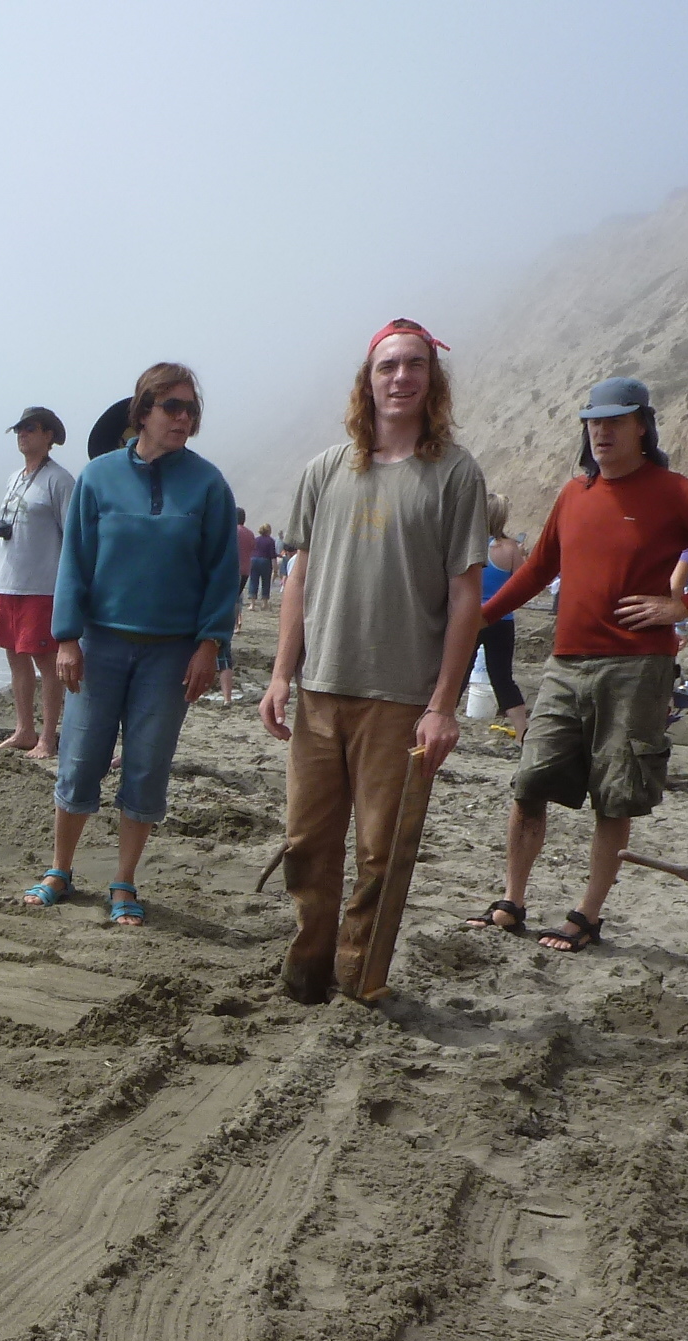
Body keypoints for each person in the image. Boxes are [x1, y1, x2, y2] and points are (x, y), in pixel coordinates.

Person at [466, 376, 688, 953]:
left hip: (637, 666)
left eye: (614, 421)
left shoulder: (674, 492)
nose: (601, 432)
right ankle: (512, 900)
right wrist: (482, 618)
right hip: (566, 663)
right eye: (593, 422)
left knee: (615, 793)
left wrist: (683, 605)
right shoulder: (573, 494)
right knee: (530, 782)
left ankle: (586, 915)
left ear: (642, 427)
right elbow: (538, 569)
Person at [258, 319, 487, 1002]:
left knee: (381, 853)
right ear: (368, 379)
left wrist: (443, 705)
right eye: (388, 366)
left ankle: (359, 982)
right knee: (307, 843)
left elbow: (466, 597)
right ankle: (307, 975)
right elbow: (297, 578)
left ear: (432, 380)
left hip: (401, 699)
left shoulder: (455, 474)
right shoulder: (325, 470)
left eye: (415, 365)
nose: (401, 377)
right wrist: (281, 672)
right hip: (320, 689)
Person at [23, 363, 237, 929]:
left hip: (172, 655)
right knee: (79, 759)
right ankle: (60, 870)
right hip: (100, 646)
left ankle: (123, 881)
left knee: (146, 767)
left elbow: (221, 573)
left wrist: (210, 646)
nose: (184, 418)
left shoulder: (209, 484)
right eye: (173, 407)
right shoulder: (98, 478)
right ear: (142, 412)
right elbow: (75, 561)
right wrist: (67, 638)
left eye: (192, 409)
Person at [0, 407, 74, 760]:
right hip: (8, 581)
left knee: (46, 663)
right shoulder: (14, 478)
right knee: (15, 657)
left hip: (42, 586)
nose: (22, 434)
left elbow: (73, 536)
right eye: (19, 429)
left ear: (48, 435)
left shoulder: (59, 480)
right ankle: (24, 730)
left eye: (30, 428)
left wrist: (69, 587)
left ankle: (48, 738)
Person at [480, 494, 529, 739]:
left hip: (471, 618)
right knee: (502, 678)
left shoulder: (471, 545)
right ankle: (522, 733)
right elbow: (524, 584)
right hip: (501, 619)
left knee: (456, 676)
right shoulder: (510, 549)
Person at [245, 523, 278, 602]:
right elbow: (273, 556)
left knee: (253, 580)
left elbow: (251, 551)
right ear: (269, 531)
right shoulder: (270, 541)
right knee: (266, 581)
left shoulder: (256, 539)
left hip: (254, 560)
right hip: (265, 561)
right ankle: (264, 603)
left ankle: (252, 603)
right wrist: (275, 569)